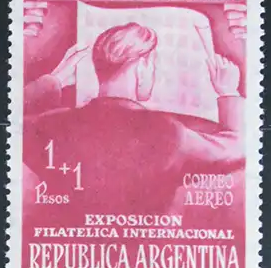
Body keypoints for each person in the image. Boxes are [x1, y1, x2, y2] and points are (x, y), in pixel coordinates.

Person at [25, 20, 244, 218]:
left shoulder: (54, 125)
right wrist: (228, 92)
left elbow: (11, 125)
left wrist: (53, 80)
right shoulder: (168, 133)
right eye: (153, 65)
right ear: (142, 67)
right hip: (149, 249)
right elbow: (238, 148)